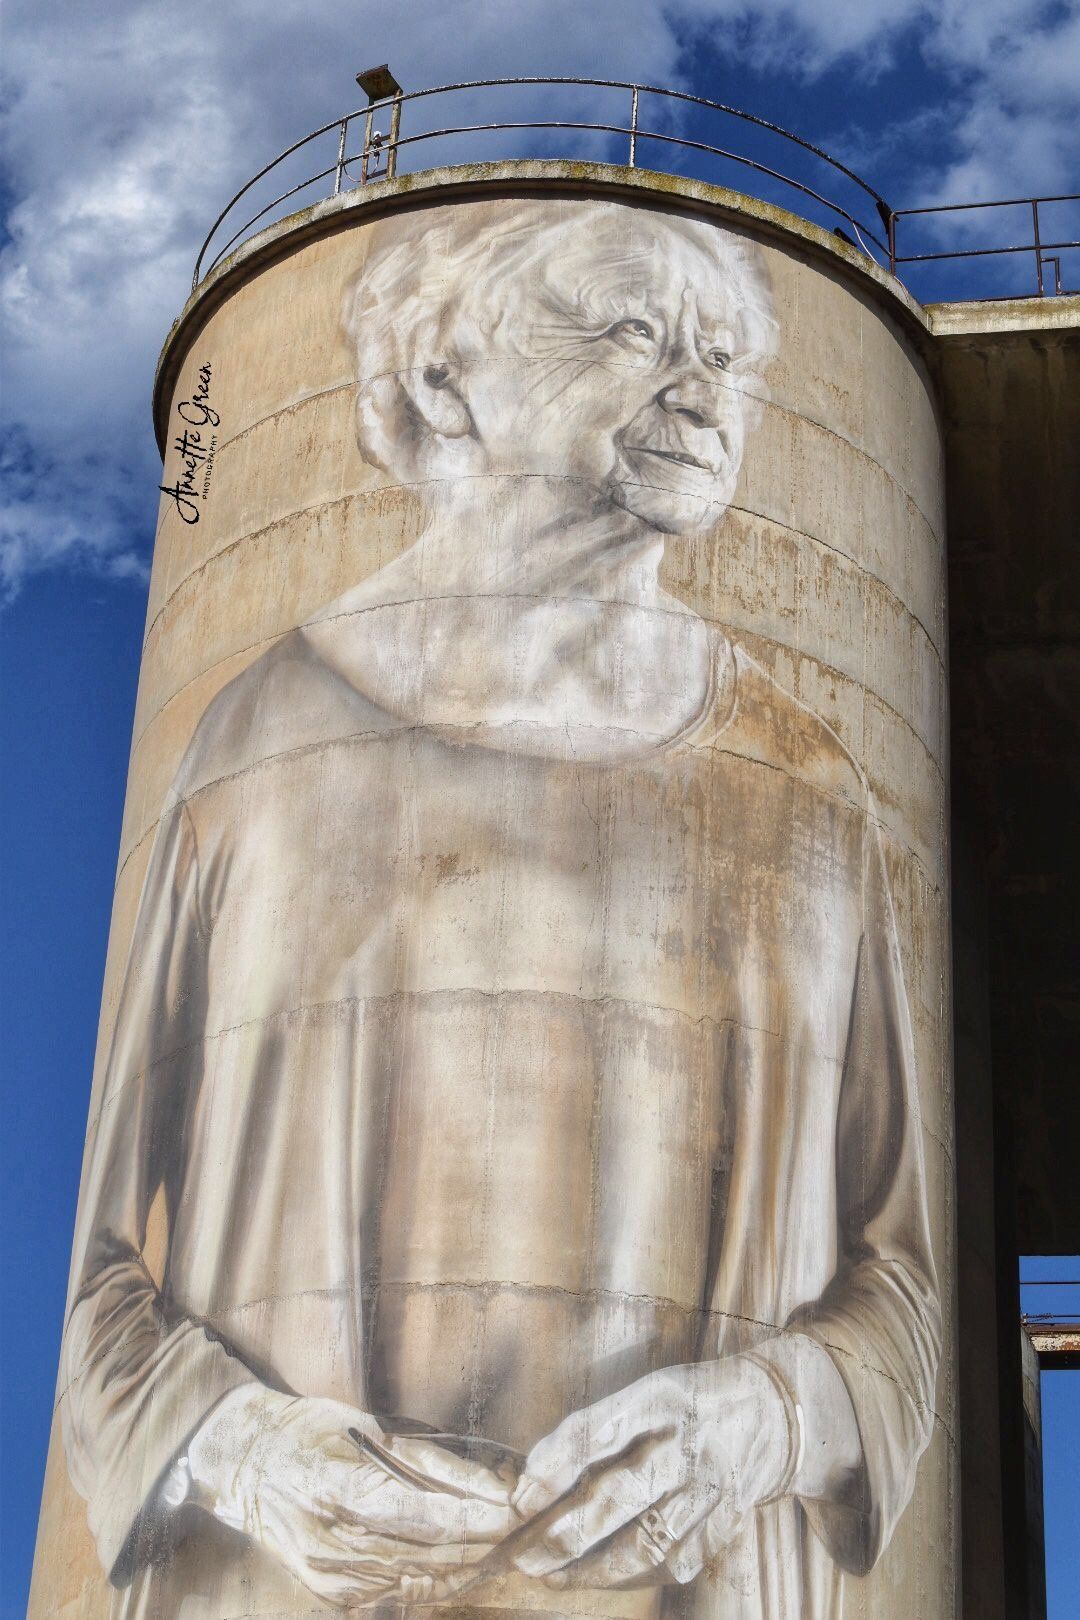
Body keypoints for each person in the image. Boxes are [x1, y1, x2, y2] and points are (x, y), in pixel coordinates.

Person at [60, 199, 940, 1619]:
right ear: (438, 373)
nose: (704, 393)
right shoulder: (251, 748)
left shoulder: (812, 793)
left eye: (731, 356)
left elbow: (902, 1283)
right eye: (627, 329)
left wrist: (768, 1418)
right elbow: (99, 1278)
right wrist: (240, 1447)